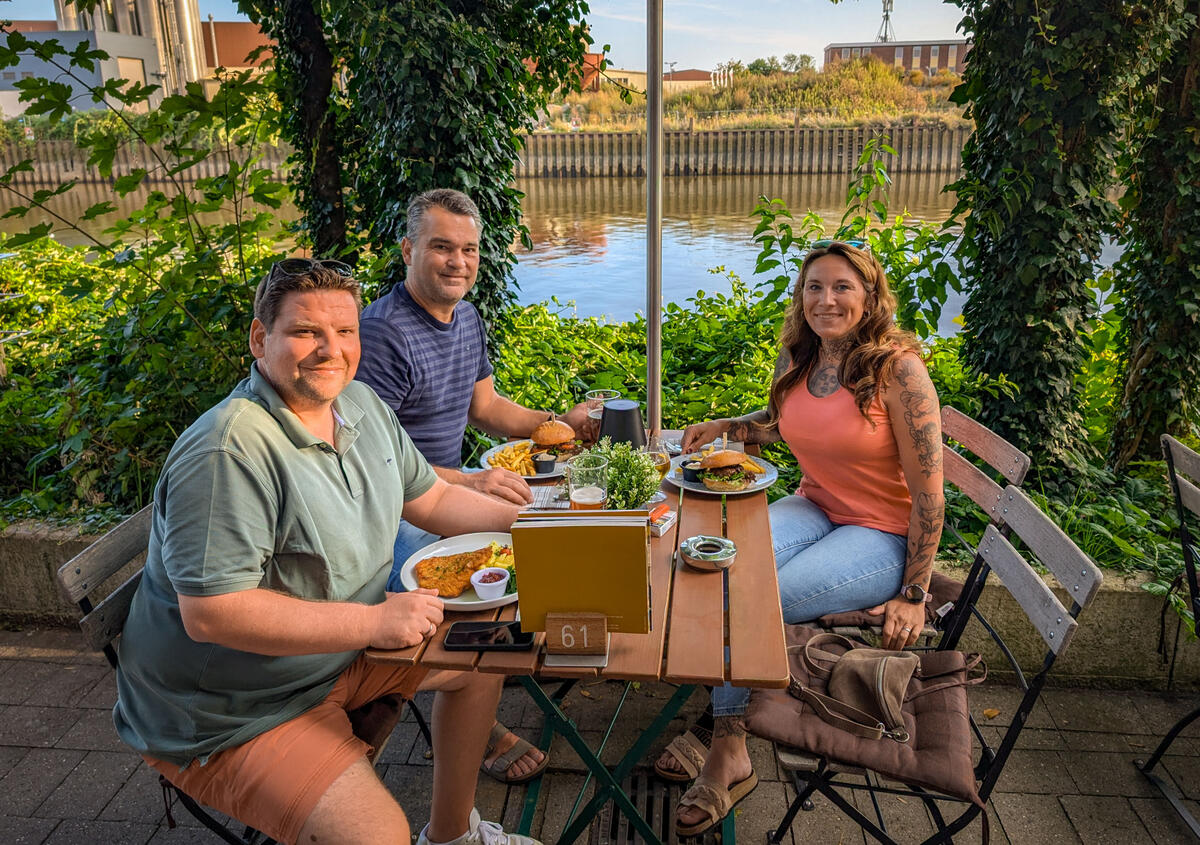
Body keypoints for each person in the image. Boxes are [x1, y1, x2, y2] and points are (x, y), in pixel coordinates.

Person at [114, 259, 539, 845]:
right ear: (261, 339)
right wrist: (373, 619)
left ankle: (451, 836)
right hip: (235, 709)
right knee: (377, 835)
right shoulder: (228, 452)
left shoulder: (360, 405)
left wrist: (545, 523)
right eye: (306, 332)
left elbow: (435, 499)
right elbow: (212, 613)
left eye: (345, 332)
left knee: (485, 662)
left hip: (340, 656)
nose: (329, 349)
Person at [658, 241, 945, 836]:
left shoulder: (898, 370)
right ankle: (727, 713)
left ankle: (728, 746)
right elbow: (786, 427)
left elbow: (928, 495)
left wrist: (913, 594)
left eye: (842, 287)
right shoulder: (802, 356)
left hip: (882, 534)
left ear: (869, 297)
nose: (826, 299)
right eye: (815, 287)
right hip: (816, 505)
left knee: (752, 598)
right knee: (718, 568)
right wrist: (731, 428)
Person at [355, 189, 589, 783]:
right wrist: (474, 480)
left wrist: (556, 424)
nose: (457, 261)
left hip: (444, 490)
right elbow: (371, 462)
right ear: (408, 249)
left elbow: (485, 406)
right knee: (489, 577)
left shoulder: (465, 316)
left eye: (468, 249)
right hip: (390, 511)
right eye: (441, 247)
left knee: (554, 522)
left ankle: (524, 649)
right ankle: (469, 692)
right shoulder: (383, 333)